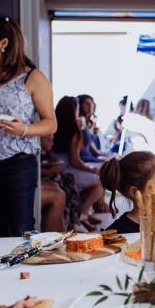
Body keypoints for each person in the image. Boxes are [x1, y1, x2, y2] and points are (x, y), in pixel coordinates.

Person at [0, 16, 56, 238]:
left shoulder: (32, 78)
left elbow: (51, 123)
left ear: (3, 43)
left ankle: (25, 273)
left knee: (21, 229)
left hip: (17, 166)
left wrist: (23, 129)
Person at [52, 95, 103, 230]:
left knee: (92, 181)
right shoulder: (73, 130)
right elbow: (75, 161)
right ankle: (83, 213)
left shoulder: (54, 127)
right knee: (100, 179)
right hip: (66, 171)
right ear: (74, 110)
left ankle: (80, 214)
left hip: (54, 168)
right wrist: (91, 169)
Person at [77, 94, 110, 162]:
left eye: (91, 103)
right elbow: (95, 152)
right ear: (79, 105)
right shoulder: (80, 121)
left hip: (90, 157)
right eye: (87, 103)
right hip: (85, 160)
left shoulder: (87, 123)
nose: (91, 106)